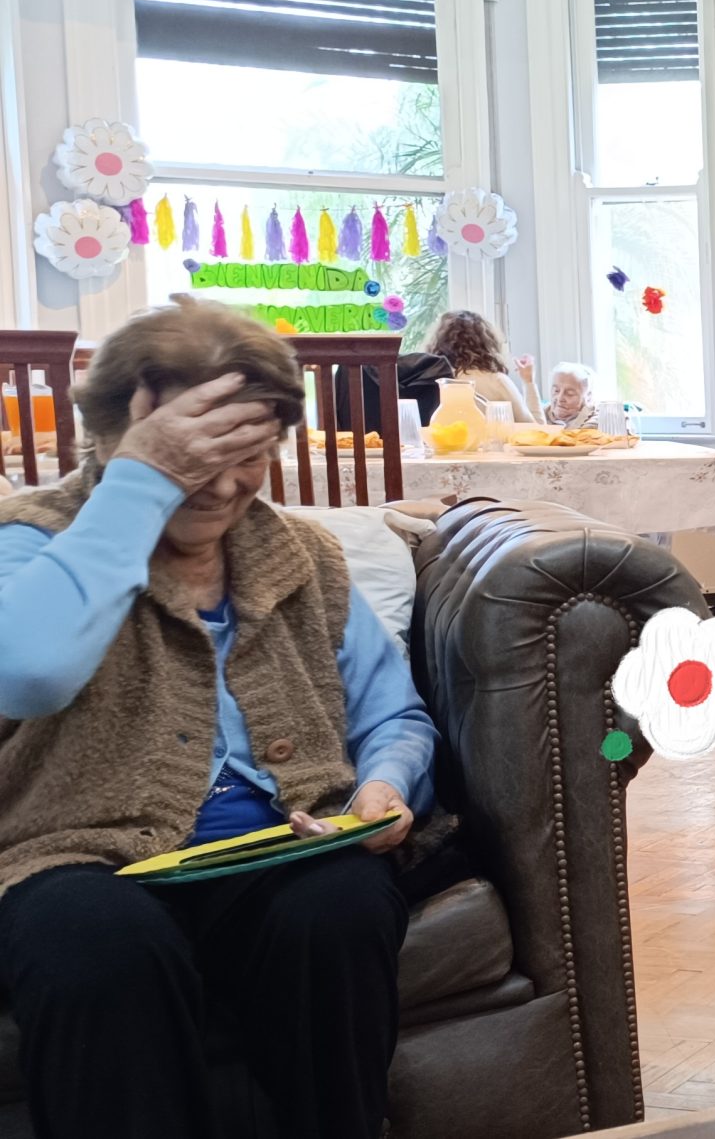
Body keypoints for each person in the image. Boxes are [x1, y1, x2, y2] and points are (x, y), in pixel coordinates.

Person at [0, 298, 434, 1137]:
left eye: (252, 456)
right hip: (73, 857)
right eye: (198, 456)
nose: (228, 486)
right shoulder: (32, 540)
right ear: (114, 435)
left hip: (277, 842)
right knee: (99, 945)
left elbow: (394, 716)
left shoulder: (300, 555)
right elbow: (28, 671)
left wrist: (382, 786)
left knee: (342, 906)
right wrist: (140, 482)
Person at [422, 309, 534, 423]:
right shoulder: (497, 382)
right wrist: (528, 382)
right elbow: (536, 429)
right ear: (488, 343)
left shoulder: (430, 382)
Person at [545, 362, 600, 429]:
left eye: (569, 394)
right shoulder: (541, 414)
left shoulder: (597, 420)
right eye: (556, 391)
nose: (560, 398)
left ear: (588, 396)